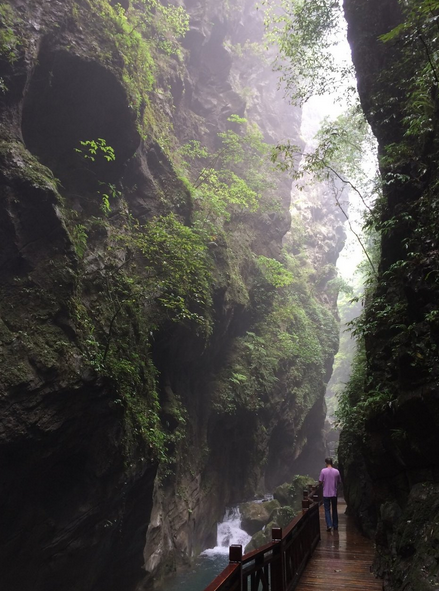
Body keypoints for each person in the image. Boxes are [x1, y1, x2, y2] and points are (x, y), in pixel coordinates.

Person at [319, 457, 341, 532]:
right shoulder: (336, 471)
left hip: (326, 493)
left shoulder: (323, 471)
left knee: (327, 510)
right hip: (334, 493)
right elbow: (339, 481)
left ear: (326, 463)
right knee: (334, 509)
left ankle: (329, 525)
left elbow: (320, 481)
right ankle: (335, 525)